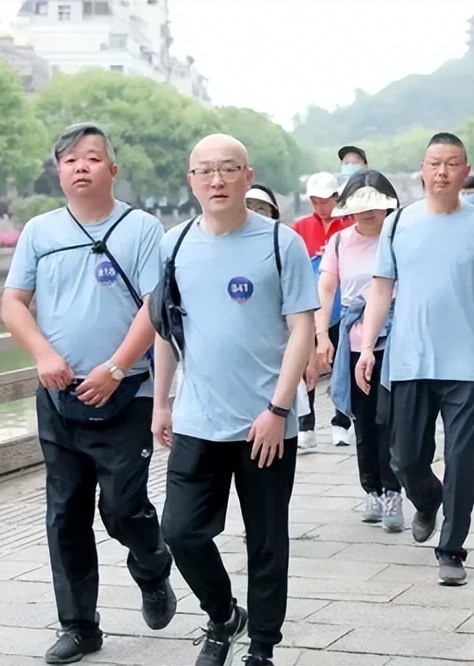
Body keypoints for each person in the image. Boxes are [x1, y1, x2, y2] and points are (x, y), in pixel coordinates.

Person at [1, 122, 176, 664]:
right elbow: (13, 302)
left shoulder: (142, 228)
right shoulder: (39, 231)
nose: (81, 166)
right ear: (58, 171)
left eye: (93, 158)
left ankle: (151, 562)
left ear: (113, 170)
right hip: (59, 394)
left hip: (127, 393)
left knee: (123, 508)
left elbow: (155, 304)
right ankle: (79, 625)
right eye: (70, 159)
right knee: (65, 513)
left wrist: (118, 367)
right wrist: (43, 355)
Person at [154, 134, 319, 666]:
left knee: (266, 542)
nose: (217, 179)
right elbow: (165, 329)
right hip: (198, 418)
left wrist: (278, 408)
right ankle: (224, 615)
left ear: (249, 177)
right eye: (206, 171)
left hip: (265, 424)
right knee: (178, 532)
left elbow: (302, 330)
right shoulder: (173, 244)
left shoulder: (280, 242)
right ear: (191, 181)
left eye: (229, 169)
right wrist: (161, 403)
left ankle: (263, 648)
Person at [357, 132, 474, 586]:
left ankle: (452, 549)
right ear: (422, 170)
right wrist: (367, 347)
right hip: (408, 359)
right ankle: (427, 500)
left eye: (452, 164)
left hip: (464, 360)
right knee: (405, 458)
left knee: (462, 455)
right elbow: (381, 289)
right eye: (434, 163)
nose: (442, 172)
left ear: (466, 172)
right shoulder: (399, 223)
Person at [315, 169, 404, 532]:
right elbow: (325, 288)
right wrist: (322, 334)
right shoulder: (339, 243)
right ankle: (373, 489)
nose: (368, 214)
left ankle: (395, 490)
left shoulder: (399, 237)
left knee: (391, 420)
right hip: (354, 343)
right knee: (365, 421)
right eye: (360, 206)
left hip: (397, 342)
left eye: (375, 205)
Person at [292, 173, 354, 449]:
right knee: (307, 364)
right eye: (315, 202)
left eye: (324, 201)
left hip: (344, 306)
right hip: (311, 305)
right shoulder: (301, 227)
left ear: (336, 199)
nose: (319, 207)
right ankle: (306, 424)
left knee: (343, 366)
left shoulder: (349, 225)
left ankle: (342, 420)